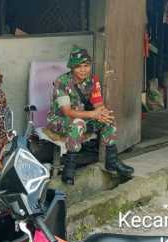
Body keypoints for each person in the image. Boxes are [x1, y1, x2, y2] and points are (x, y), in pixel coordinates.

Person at [47, 46, 134, 185]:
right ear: (72, 67)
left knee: (108, 119)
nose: (83, 70)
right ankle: (69, 167)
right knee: (78, 123)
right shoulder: (61, 82)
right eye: (78, 66)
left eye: (86, 66)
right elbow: (67, 112)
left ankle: (112, 161)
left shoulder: (93, 82)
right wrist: (93, 114)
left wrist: (102, 114)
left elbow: (98, 105)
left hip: (84, 118)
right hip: (60, 120)